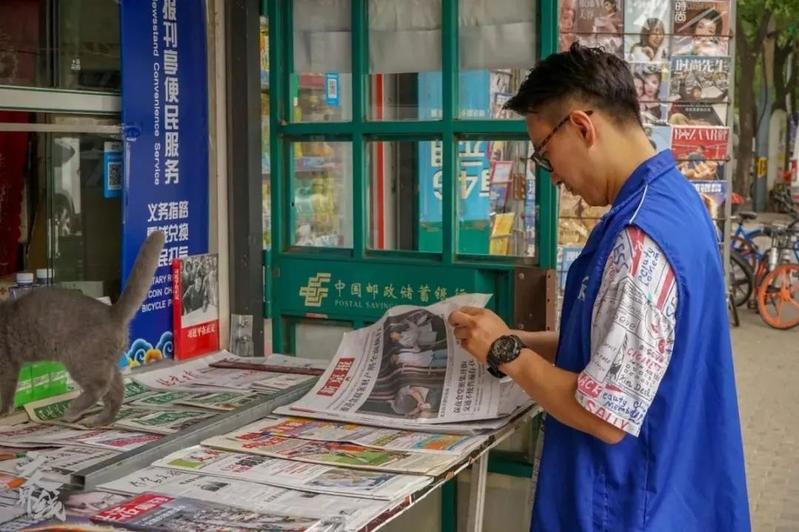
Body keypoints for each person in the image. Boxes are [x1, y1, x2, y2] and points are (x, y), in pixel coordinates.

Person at [448, 44, 749, 530]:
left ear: (582, 128)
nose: (553, 178)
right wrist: (523, 341)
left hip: (632, 507)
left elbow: (605, 414)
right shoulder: (675, 201)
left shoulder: (639, 241)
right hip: (677, 494)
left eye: (545, 155)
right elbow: (620, 348)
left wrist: (506, 351)